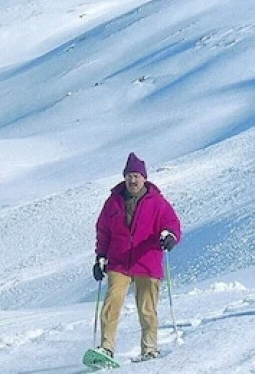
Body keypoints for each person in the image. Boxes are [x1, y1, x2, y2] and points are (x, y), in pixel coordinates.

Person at [92, 152, 182, 362]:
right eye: (129, 176)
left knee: (147, 308)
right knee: (112, 302)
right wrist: (100, 257)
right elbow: (103, 230)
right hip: (119, 261)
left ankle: (149, 349)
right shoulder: (113, 202)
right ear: (124, 177)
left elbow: (172, 223)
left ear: (144, 178)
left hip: (147, 260)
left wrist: (170, 236)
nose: (133, 180)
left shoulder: (157, 202)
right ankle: (106, 348)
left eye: (137, 176)